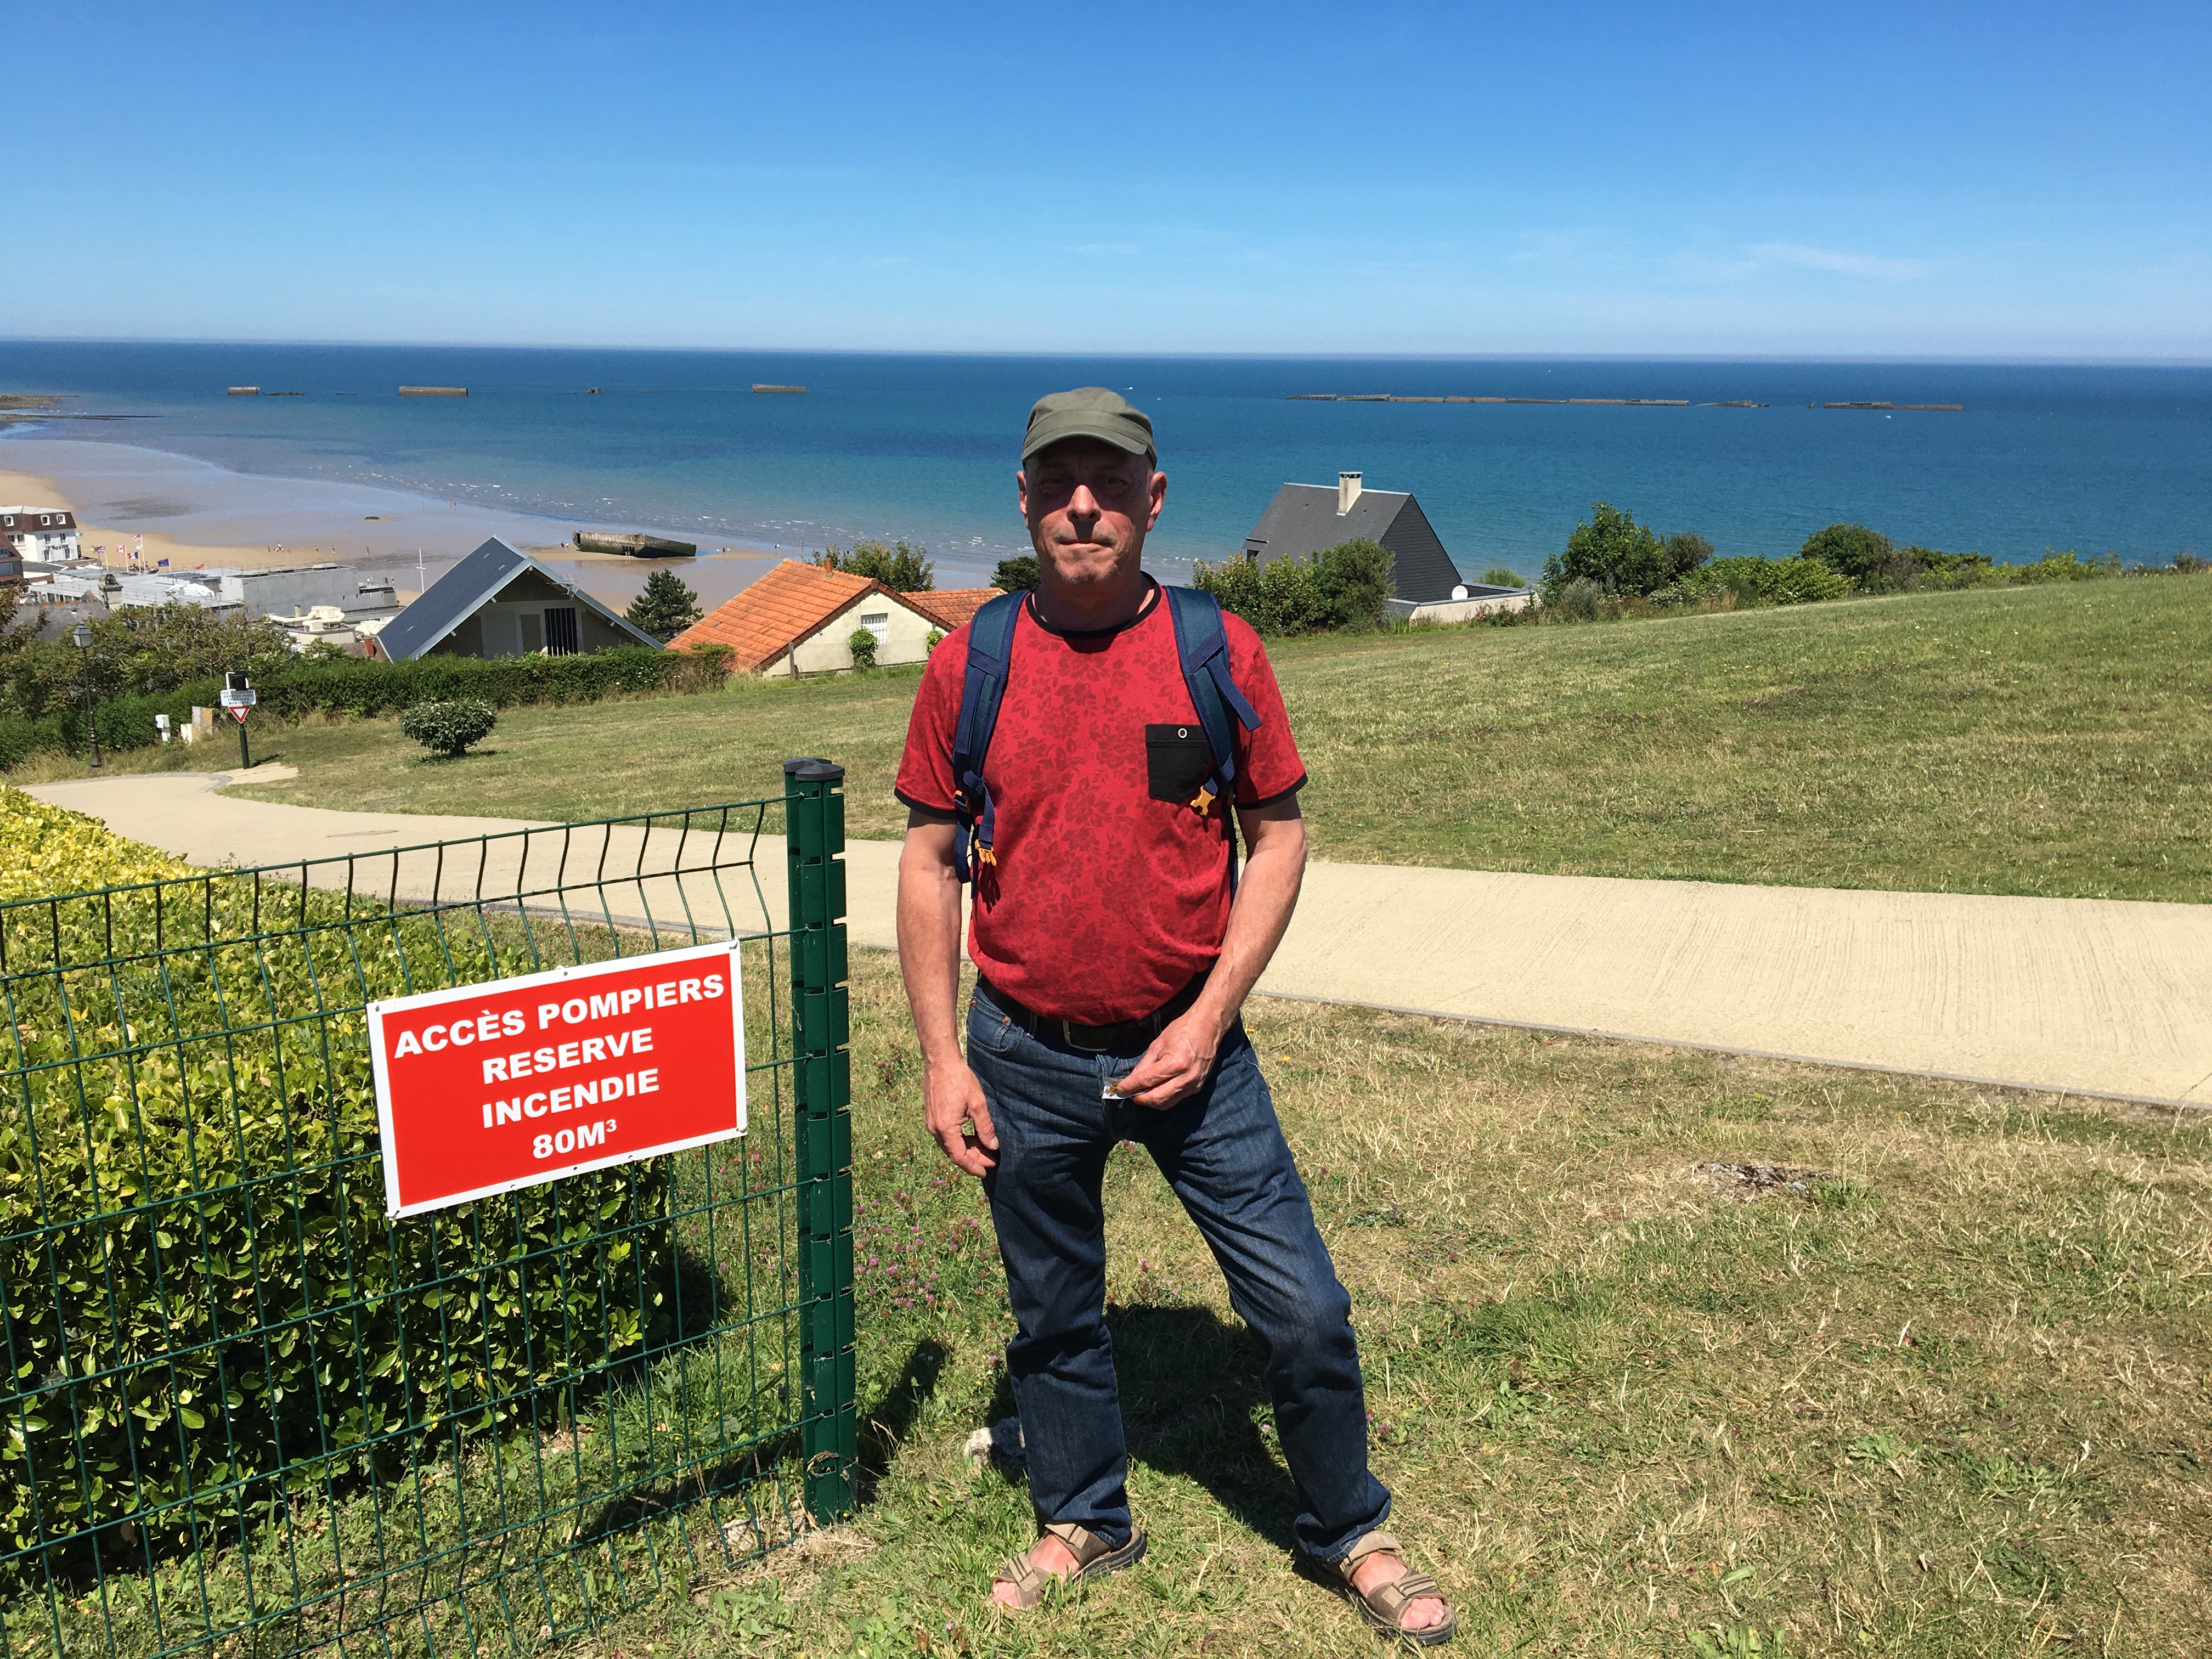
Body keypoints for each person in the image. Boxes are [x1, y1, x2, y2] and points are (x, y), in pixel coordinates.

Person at [892, 388, 1454, 1644]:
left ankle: (1347, 1527)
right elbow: (929, 862)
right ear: (1025, 502)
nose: (1082, 506)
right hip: (1022, 1052)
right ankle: (1085, 1517)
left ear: (1154, 499)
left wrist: (1208, 1020)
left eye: (1109, 483)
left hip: (1196, 1055)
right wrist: (940, 1058)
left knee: (1303, 1306)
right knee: (1053, 1313)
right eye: (1057, 483)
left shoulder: (1218, 651)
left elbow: (1280, 836)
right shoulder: (972, 663)